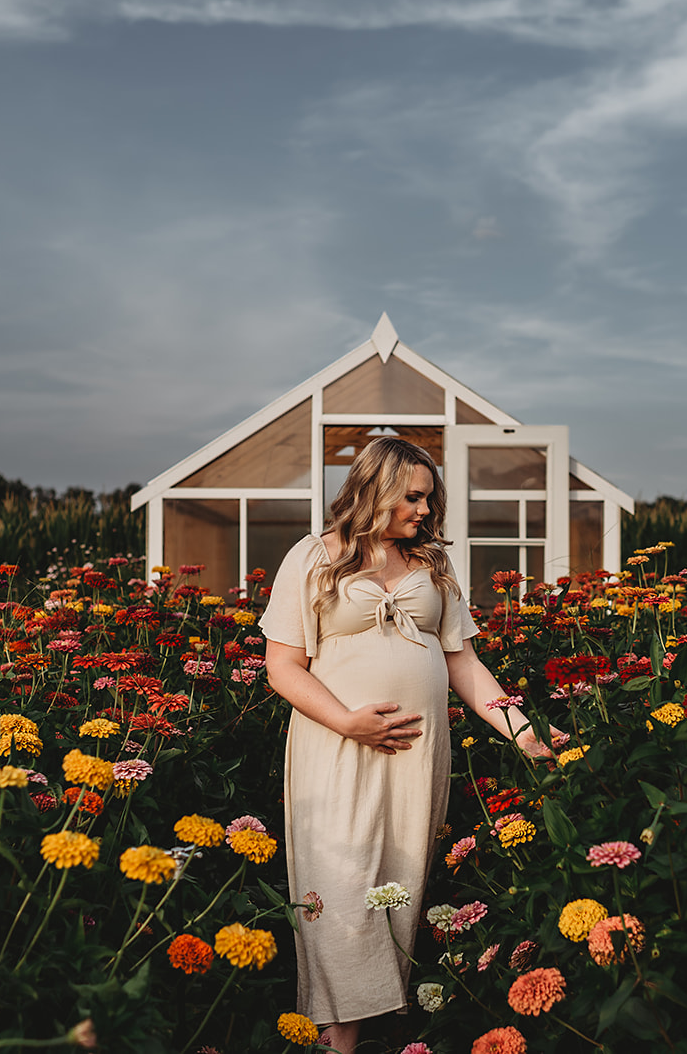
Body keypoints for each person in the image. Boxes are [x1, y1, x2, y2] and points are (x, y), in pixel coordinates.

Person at [261, 437, 551, 1054]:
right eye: (412, 496)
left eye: (428, 497)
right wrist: (347, 721)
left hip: (417, 759)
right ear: (376, 489)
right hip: (336, 750)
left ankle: (357, 1038)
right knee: (337, 887)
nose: (424, 509)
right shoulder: (313, 557)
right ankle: (335, 1044)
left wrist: (531, 738)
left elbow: (465, 665)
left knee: (397, 891)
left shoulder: (433, 567)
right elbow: (283, 667)